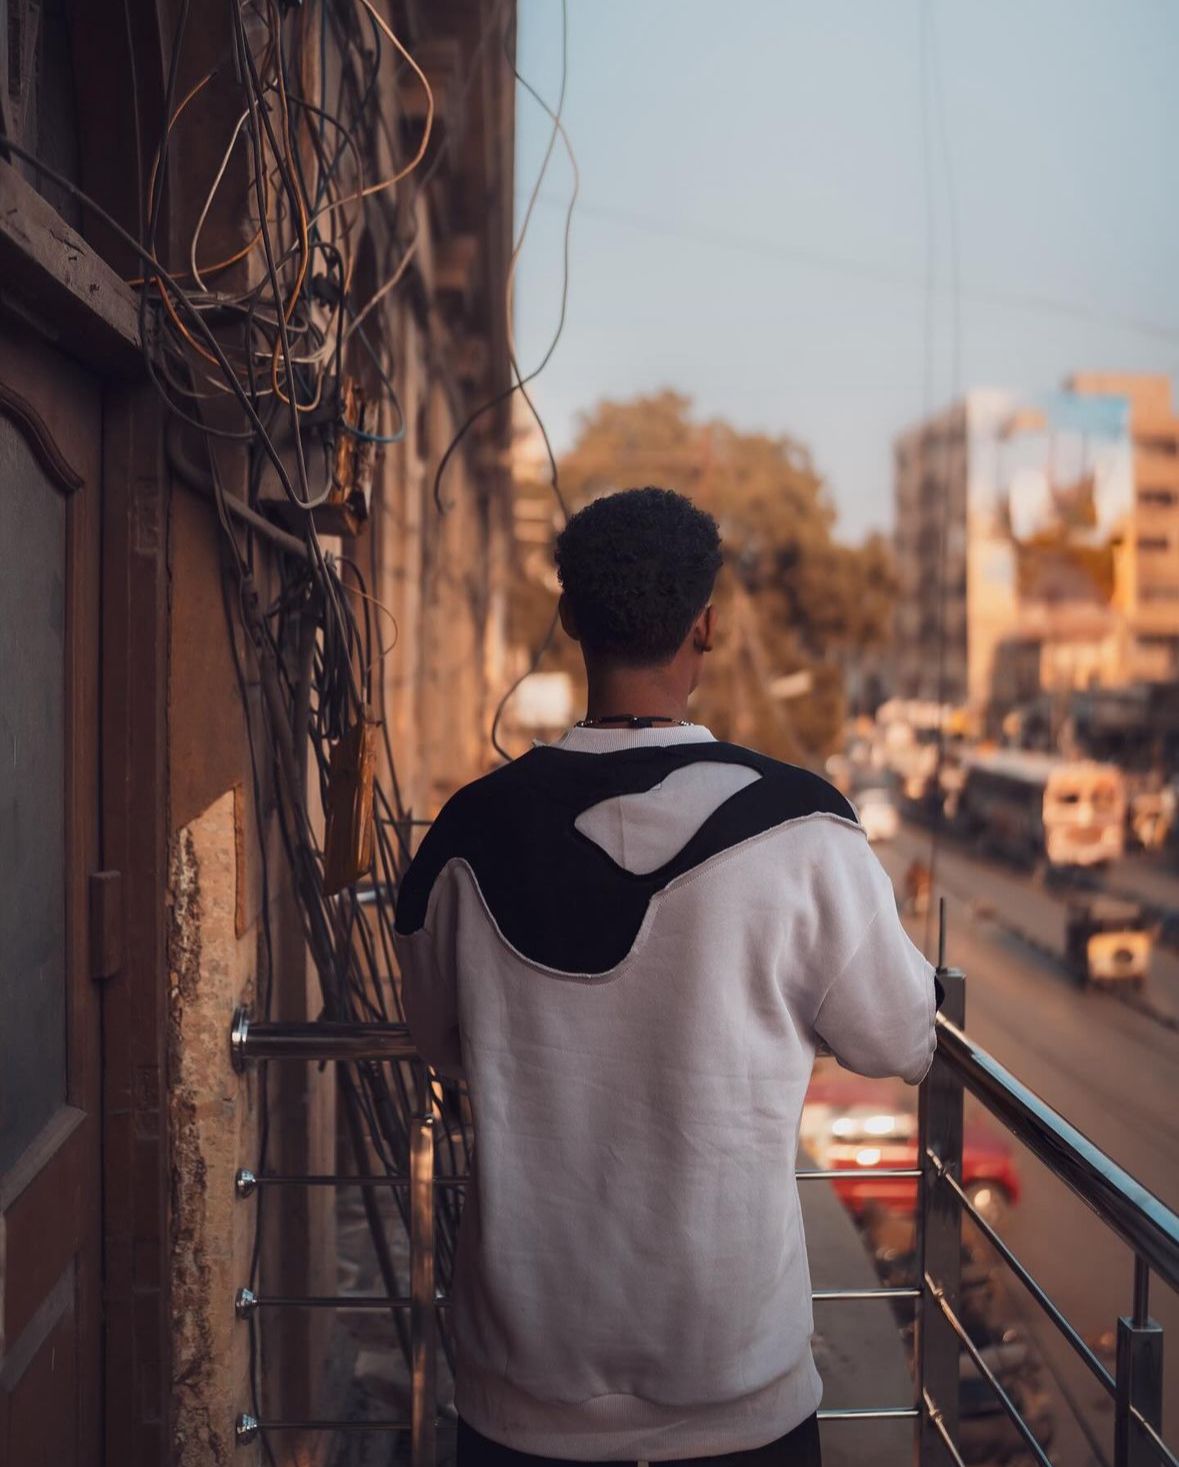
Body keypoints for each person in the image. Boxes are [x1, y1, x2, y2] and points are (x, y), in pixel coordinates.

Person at [396, 487, 938, 1467]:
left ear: (569, 622)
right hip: (740, 1397)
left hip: (523, 1400)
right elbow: (901, 1040)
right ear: (709, 627)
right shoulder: (804, 828)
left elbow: (435, 1037)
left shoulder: (468, 832)